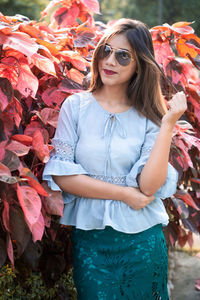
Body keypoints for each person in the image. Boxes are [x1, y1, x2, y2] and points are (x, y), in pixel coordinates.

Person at [43, 18, 187, 300]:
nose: (110, 61)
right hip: (91, 244)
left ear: (139, 65)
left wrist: (168, 124)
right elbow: (62, 176)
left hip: (143, 243)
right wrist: (123, 194)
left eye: (123, 56)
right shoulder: (75, 107)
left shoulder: (150, 117)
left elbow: (148, 187)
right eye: (106, 50)